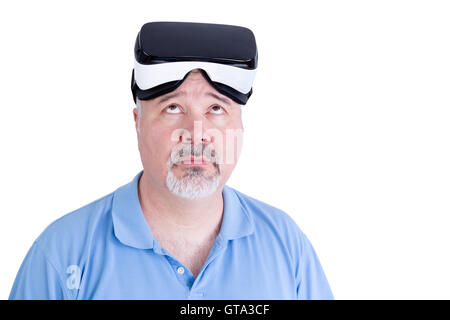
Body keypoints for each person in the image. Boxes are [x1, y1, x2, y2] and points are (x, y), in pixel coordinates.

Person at [9, 21, 333, 299]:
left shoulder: (286, 249)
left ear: (240, 125)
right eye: (172, 108)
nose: (196, 133)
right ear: (137, 122)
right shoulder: (62, 255)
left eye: (216, 109)